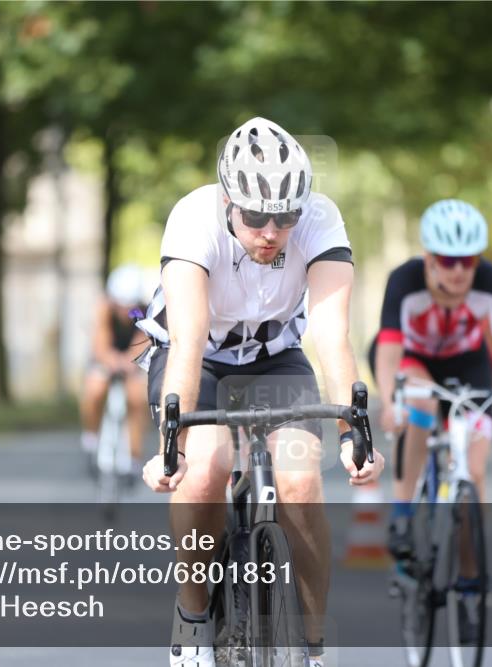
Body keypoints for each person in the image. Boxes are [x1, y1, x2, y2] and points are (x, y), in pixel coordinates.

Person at [136, 117, 384, 667]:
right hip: (197, 359)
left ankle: (314, 648)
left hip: (275, 359)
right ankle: (194, 616)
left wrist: (352, 433)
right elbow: (187, 340)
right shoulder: (192, 220)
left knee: (299, 480)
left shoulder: (321, 221)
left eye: (285, 216)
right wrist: (169, 449)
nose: (271, 231)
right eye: (254, 217)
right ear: (228, 201)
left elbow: (329, 335)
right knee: (206, 468)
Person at [369, 199, 492, 554]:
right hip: (411, 358)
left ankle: (470, 583)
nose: (458, 271)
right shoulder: (405, 280)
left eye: (467, 261)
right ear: (430, 258)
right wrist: (391, 401)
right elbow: (389, 348)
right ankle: (403, 514)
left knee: (475, 472)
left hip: (468, 363)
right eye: (449, 261)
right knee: (420, 403)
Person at [79, 263, 150, 472]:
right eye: (121, 305)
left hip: (131, 358)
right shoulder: (104, 308)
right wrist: (110, 360)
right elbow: (100, 342)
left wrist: (129, 361)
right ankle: (91, 437)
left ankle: (134, 455)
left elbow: (143, 338)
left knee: (137, 398)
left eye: (129, 305)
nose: (125, 310)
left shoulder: (140, 311)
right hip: (106, 356)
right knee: (95, 389)